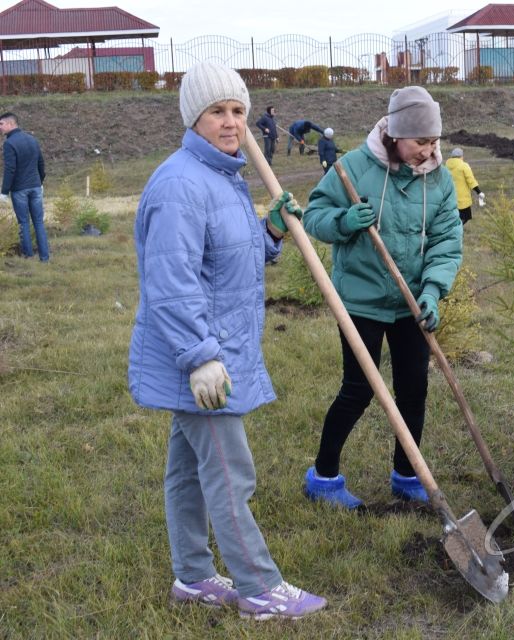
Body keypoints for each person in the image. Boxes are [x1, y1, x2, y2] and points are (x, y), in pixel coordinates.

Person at [127, 61, 326, 620]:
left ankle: (192, 577)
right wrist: (200, 358)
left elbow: (224, 261)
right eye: (218, 111)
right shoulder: (181, 186)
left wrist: (270, 231)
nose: (231, 121)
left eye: (238, 110)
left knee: (188, 473)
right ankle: (260, 588)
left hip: (211, 352)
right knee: (229, 470)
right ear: (194, 118)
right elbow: (171, 282)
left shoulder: (222, 177)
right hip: (199, 359)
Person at [300, 86, 462, 509]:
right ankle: (323, 477)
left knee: (413, 390)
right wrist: (344, 221)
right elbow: (314, 217)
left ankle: (407, 476)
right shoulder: (353, 166)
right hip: (360, 301)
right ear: (395, 133)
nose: (428, 151)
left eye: (434, 142)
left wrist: (431, 292)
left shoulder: (440, 179)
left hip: (411, 303)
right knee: (358, 389)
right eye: (420, 142)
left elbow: (447, 240)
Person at [1, 112, 49, 262]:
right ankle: (45, 257)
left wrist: (3, 192)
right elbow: (40, 163)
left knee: (23, 223)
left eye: (1, 124)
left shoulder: (9, 144)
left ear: (10, 124)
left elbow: (10, 169)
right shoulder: (32, 139)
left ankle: (28, 256)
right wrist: (40, 182)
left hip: (20, 190)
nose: (0, 128)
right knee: (39, 222)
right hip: (35, 187)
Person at [446, 147, 484, 225]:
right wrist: (479, 192)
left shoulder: (446, 166)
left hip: (450, 199)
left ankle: (454, 231)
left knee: (454, 219)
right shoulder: (464, 166)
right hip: (463, 200)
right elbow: (471, 181)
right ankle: (457, 232)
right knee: (465, 218)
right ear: (461, 156)